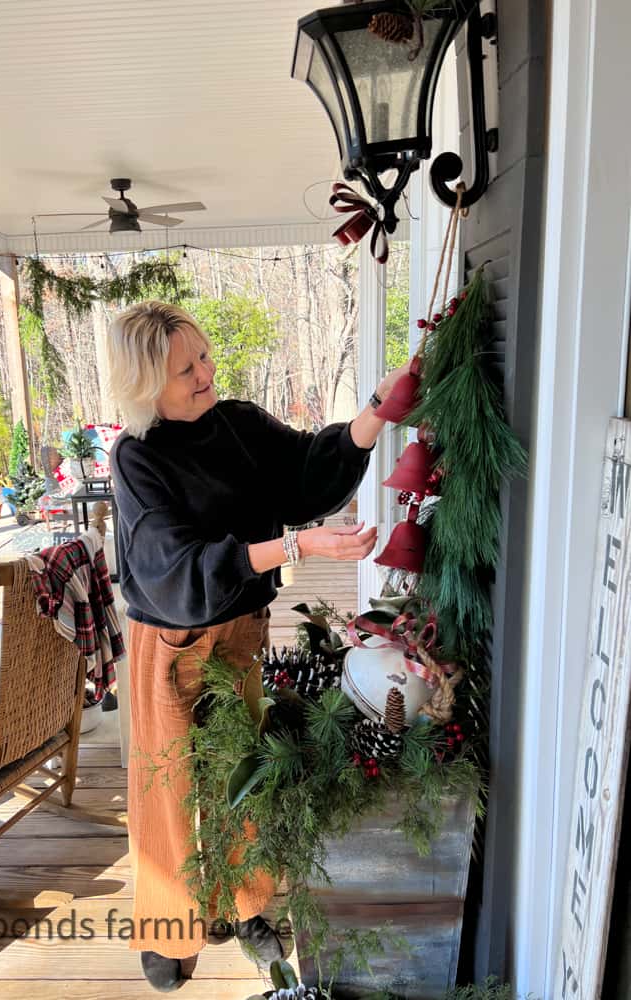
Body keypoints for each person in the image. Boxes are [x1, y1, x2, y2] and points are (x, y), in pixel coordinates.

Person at [107, 301, 409, 992]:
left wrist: (376, 411)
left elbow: (305, 471)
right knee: (170, 790)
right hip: (173, 646)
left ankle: (246, 907)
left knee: (247, 774)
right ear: (146, 383)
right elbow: (177, 573)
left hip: (241, 633)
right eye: (186, 368)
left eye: (205, 355)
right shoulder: (137, 460)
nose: (206, 371)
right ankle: (169, 925)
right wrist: (295, 546)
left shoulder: (237, 424)